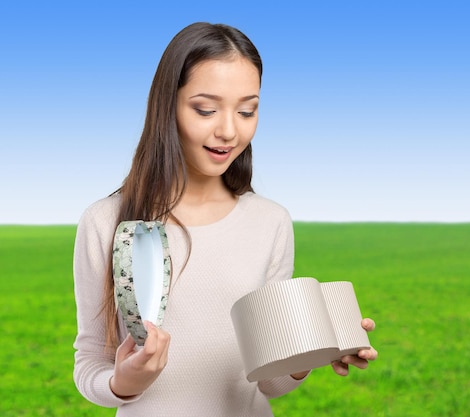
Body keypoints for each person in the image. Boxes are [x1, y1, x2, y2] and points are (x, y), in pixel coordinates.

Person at [72, 22, 378, 417]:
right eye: (206, 109)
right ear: (167, 105)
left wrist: (307, 353)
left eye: (247, 110)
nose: (229, 130)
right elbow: (90, 361)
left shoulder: (270, 222)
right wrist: (125, 383)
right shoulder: (107, 222)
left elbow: (267, 379)